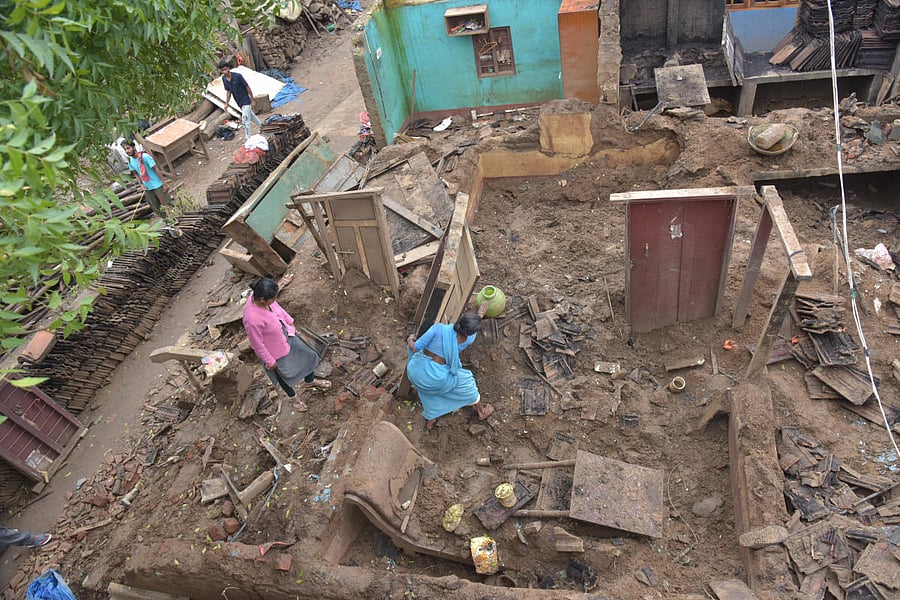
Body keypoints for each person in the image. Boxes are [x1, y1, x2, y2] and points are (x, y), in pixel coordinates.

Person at [243, 278, 330, 410]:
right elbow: (257, 344)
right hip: (273, 350)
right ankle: (294, 399)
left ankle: (310, 381)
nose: (275, 300)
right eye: (273, 298)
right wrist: (270, 361)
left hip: (287, 335)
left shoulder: (264, 298)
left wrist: (289, 322)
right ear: (262, 299)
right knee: (284, 375)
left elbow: (278, 308)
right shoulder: (252, 319)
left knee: (307, 356)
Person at [406, 312, 495, 429]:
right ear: (470, 333)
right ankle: (481, 412)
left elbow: (415, 347)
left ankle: (432, 417)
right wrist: (481, 314)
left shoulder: (437, 329)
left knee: (426, 390)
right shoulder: (468, 340)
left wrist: (410, 340)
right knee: (468, 382)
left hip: (414, 372)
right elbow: (471, 332)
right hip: (435, 380)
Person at [123, 141, 172, 220]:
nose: (127, 151)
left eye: (128, 148)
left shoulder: (145, 157)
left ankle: (177, 216)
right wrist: (141, 184)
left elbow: (156, 169)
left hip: (157, 184)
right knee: (155, 207)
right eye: (125, 149)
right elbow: (135, 173)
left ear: (134, 147)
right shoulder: (130, 161)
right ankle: (167, 221)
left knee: (166, 203)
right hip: (147, 187)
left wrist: (164, 183)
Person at [218, 60, 262, 140]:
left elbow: (247, 87)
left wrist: (252, 99)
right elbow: (228, 91)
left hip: (245, 100)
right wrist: (226, 103)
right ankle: (263, 127)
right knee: (252, 117)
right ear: (220, 71)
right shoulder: (224, 79)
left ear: (228, 68)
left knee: (245, 121)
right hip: (239, 102)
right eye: (223, 70)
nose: (225, 72)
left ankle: (248, 138)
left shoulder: (238, 76)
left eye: (226, 69)